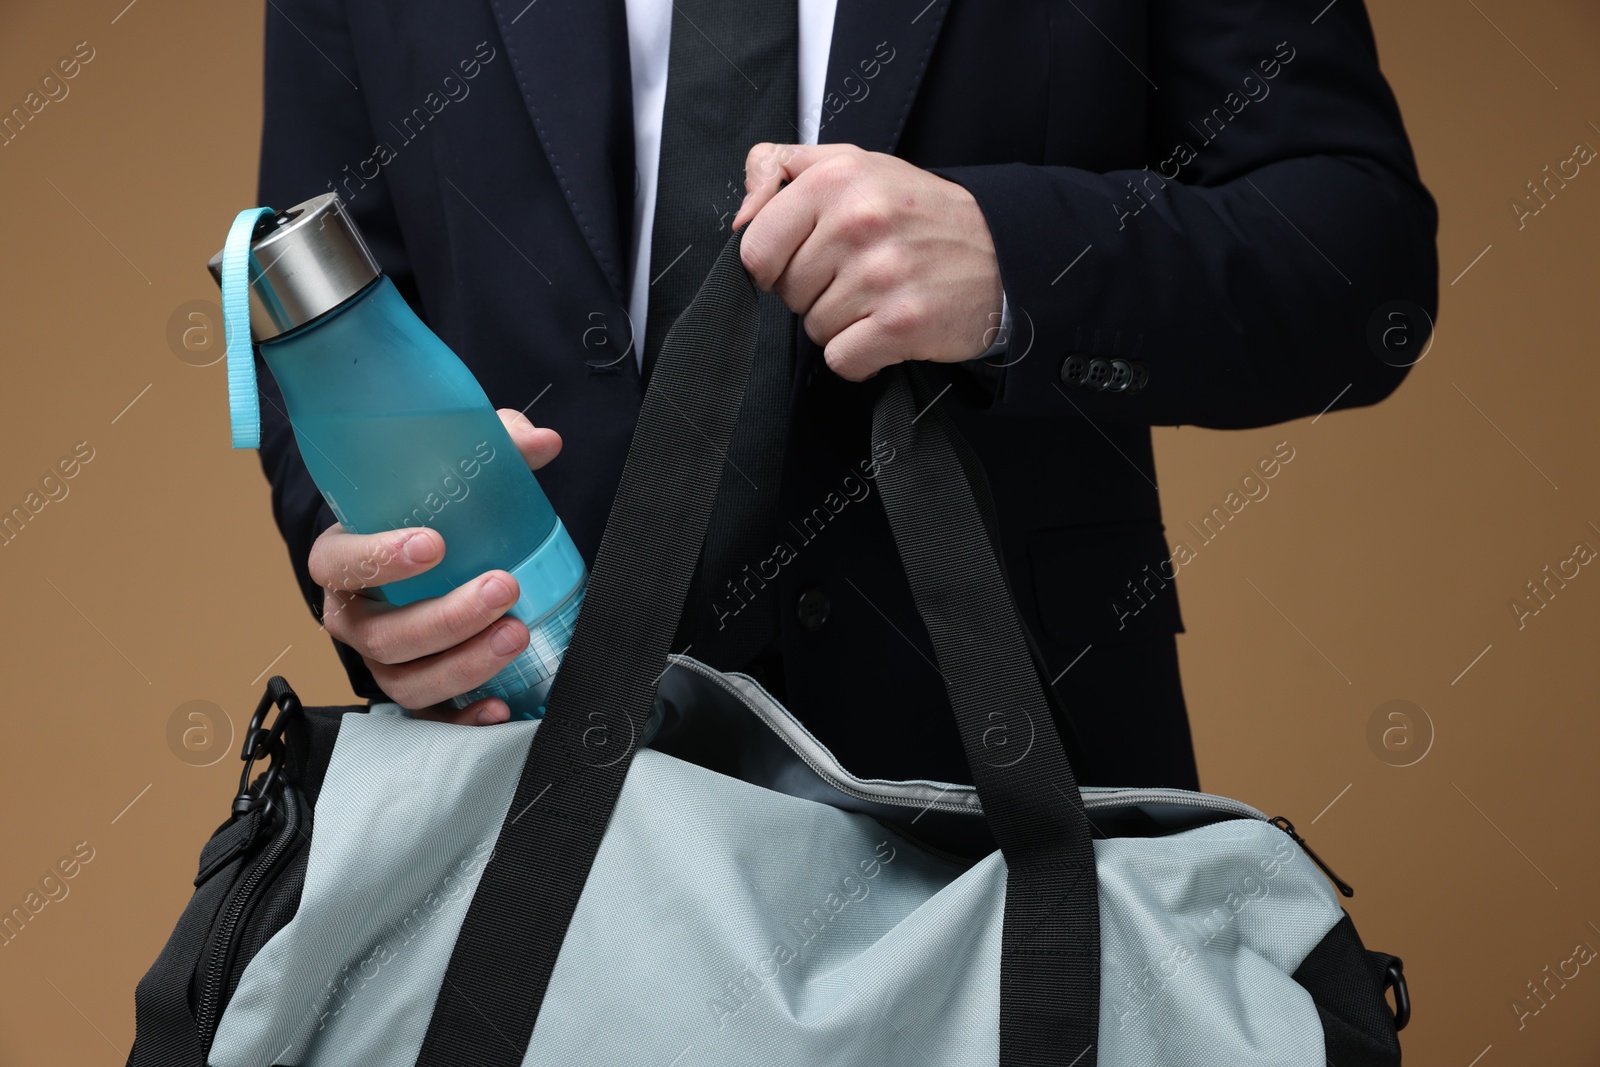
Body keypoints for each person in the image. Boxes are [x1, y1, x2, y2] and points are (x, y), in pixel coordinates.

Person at [254, 0, 1437, 790]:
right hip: (519, 785)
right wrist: (382, 564)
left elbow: (1358, 255)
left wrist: (1014, 257)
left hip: (1002, 802)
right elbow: (318, 285)